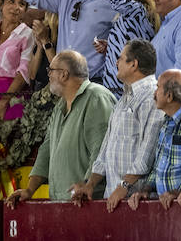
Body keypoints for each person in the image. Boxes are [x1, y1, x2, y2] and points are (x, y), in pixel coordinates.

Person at [8, 51, 115, 204]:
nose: (48, 76)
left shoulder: (96, 97)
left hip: (89, 201)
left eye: (50, 71)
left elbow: (101, 150)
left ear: (64, 74)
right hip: (60, 202)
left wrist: (88, 184)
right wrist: (30, 190)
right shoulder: (60, 106)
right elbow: (46, 150)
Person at [72, 40, 162, 206]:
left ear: (133, 64)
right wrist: (90, 184)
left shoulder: (152, 96)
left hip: (138, 200)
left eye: (120, 58)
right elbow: (106, 147)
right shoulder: (124, 98)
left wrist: (125, 186)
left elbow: (148, 150)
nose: (116, 62)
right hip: (114, 196)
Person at [127, 69, 181, 208]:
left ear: (169, 96)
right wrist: (146, 190)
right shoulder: (167, 121)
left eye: (158, 88)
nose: (154, 93)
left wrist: (179, 191)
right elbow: (158, 166)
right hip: (168, 206)